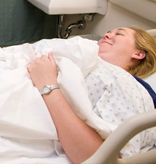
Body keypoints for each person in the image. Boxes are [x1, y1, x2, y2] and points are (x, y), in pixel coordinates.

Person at [28, 26, 156, 163]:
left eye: (119, 34)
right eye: (109, 31)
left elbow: (105, 159)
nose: (107, 34)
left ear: (139, 54)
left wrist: (48, 86)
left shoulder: (128, 86)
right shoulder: (78, 49)